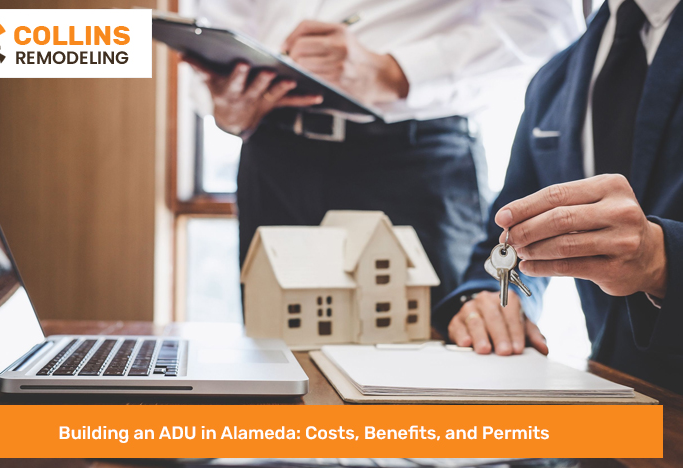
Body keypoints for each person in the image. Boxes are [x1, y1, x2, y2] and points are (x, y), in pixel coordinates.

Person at [187, 0, 582, 305]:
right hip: (272, 155)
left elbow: (547, 24)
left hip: (413, 159)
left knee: (425, 369)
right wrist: (223, 101)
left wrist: (396, 71)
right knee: (275, 357)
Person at [435, 0, 683, 394]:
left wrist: (664, 260)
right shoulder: (553, 79)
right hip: (614, 401)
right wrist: (488, 299)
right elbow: (503, 240)